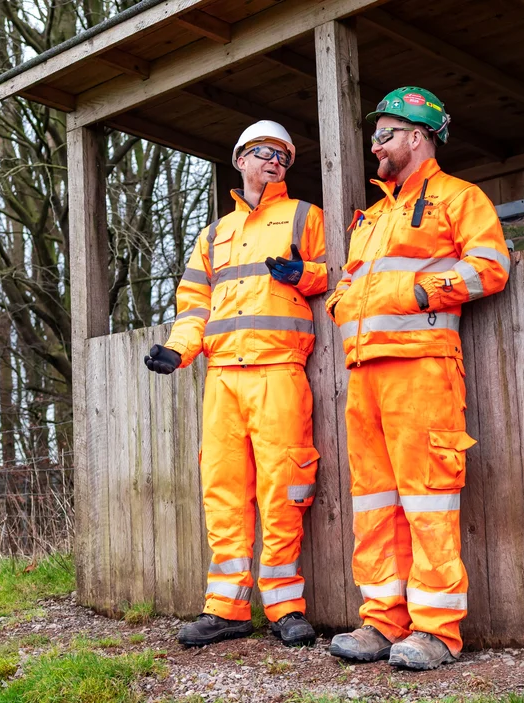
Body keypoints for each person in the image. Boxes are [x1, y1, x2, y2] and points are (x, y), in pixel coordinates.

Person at [324, 87, 510, 670]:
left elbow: (490, 266)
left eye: (384, 134)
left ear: (417, 136)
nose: (374, 145)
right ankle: (383, 620)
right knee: (375, 505)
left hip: (423, 369)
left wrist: (420, 290)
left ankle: (437, 631)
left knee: (429, 502)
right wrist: (340, 302)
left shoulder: (460, 197)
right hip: (364, 374)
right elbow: (350, 281)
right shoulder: (372, 215)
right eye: (373, 134)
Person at [144, 120, 327, 648]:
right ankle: (225, 610)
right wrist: (178, 350)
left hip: (279, 373)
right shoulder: (213, 234)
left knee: (284, 491)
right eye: (265, 153)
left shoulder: (305, 216)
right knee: (222, 492)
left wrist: (304, 275)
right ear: (240, 159)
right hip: (222, 379)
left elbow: (333, 271)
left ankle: (285, 608)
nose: (276, 162)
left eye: (285, 157)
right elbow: (194, 304)